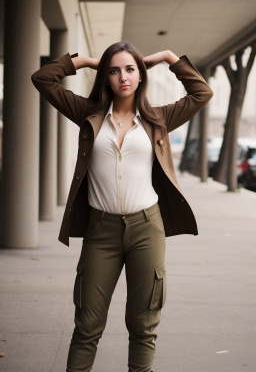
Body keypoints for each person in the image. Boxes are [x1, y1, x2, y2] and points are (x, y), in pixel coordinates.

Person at [31, 42, 213, 372]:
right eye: (113, 70)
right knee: (86, 325)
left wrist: (169, 58)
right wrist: (85, 61)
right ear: (105, 77)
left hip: (147, 228)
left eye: (130, 69)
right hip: (100, 231)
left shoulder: (159, 117)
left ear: (141, 75)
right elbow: (43, 78)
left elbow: (201, 93)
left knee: (144, 327)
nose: (122, 77)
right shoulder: (88, 113)